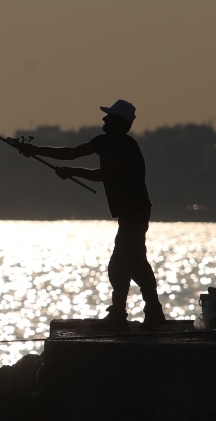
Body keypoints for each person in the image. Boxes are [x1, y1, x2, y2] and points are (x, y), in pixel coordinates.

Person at [13, 99, 166, 330]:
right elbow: (70, 153)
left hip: (136, 212)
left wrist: (72, 172)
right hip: (130, 212)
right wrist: (33, 149)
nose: (103, 119)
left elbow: (104, 174)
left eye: (109, 117)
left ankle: (118, 315)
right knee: (136, 264)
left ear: (119, 122)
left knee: (119, 264)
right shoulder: (102, 141)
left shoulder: (124, 146)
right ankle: (153, 313)